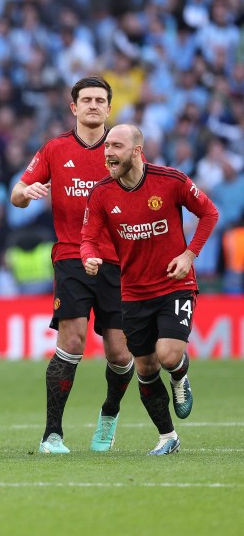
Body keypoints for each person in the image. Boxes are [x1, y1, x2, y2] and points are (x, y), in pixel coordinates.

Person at [10, 76, 135, 454]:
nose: (93, 105)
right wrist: (26, 193)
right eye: (87, 100)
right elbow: (16, 194)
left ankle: (109, 415)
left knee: (119, 352)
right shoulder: (54, 150)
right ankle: (52, 435)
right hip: (71, 256)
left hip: (117, 261)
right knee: (73, 342)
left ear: (109, 108)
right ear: (74, 107)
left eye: (100, 100)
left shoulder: (123, 149)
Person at [82, 124, 218, 455]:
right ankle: (167, 436)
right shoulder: (101, 193)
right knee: (144, 368)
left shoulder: (170, 181)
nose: (108, 152)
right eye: (106, 146)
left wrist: (189, 254)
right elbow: (88, 237)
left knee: (169, 356)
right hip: (133, 292)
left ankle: (180, 375)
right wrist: (89, 257)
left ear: (136, 151)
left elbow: (209, 213)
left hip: (175, 284)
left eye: (116, 145)